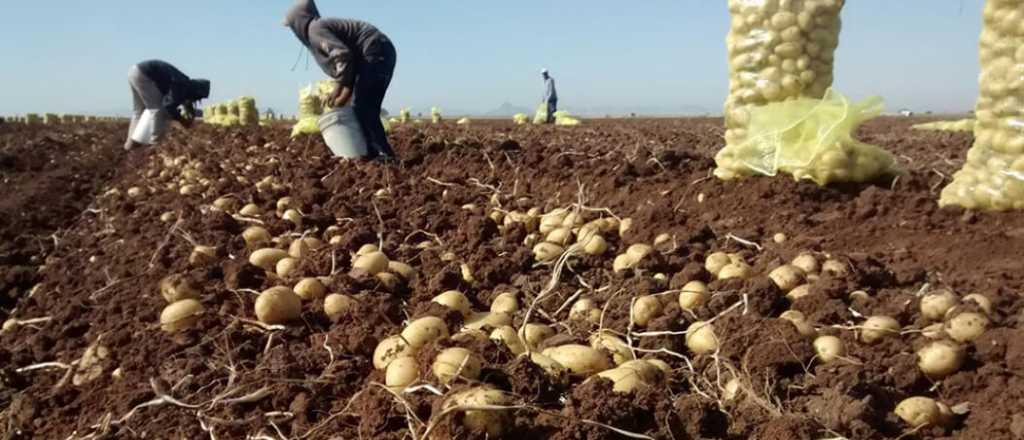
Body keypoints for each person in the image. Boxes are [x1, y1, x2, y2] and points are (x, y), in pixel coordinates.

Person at [284, 0, 398, 161]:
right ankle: (374, 152)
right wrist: (339, 91)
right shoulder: (320, 28)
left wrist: (341, 90)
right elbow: (348, 64)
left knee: (364, 106)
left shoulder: (315, 29)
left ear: (298, 22)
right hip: (379, 51)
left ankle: (383, 154)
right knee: (364, 107)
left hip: (375, 50)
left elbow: (343, 56)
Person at [124, 60, 210, 150]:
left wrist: (184, 113)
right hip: (144, 74)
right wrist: (182, 120)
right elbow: (168, 106)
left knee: (138, 111)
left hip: (134, 71)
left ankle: (129, 146)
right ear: (195, 92)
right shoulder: (182, 85)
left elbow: (174, 102)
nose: (194, 101)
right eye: (197, 98)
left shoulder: (184, 83)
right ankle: (156, 144)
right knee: (157, 109)